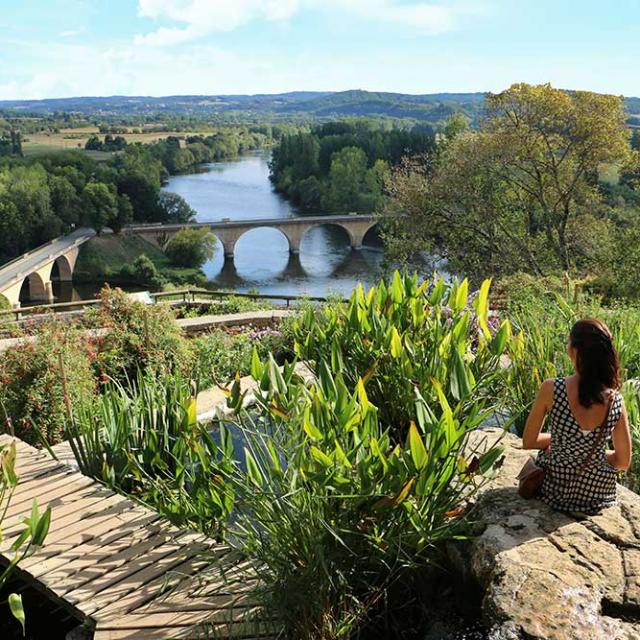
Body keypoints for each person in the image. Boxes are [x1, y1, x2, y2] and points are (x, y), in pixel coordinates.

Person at [522, 318, 632, 514]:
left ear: (575, 350)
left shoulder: (551, 388)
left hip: (557, 490)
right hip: (598, 493)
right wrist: (592, 450)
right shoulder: (616, 400)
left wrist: (564, 443)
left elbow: (529, 440)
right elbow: (623, 462)